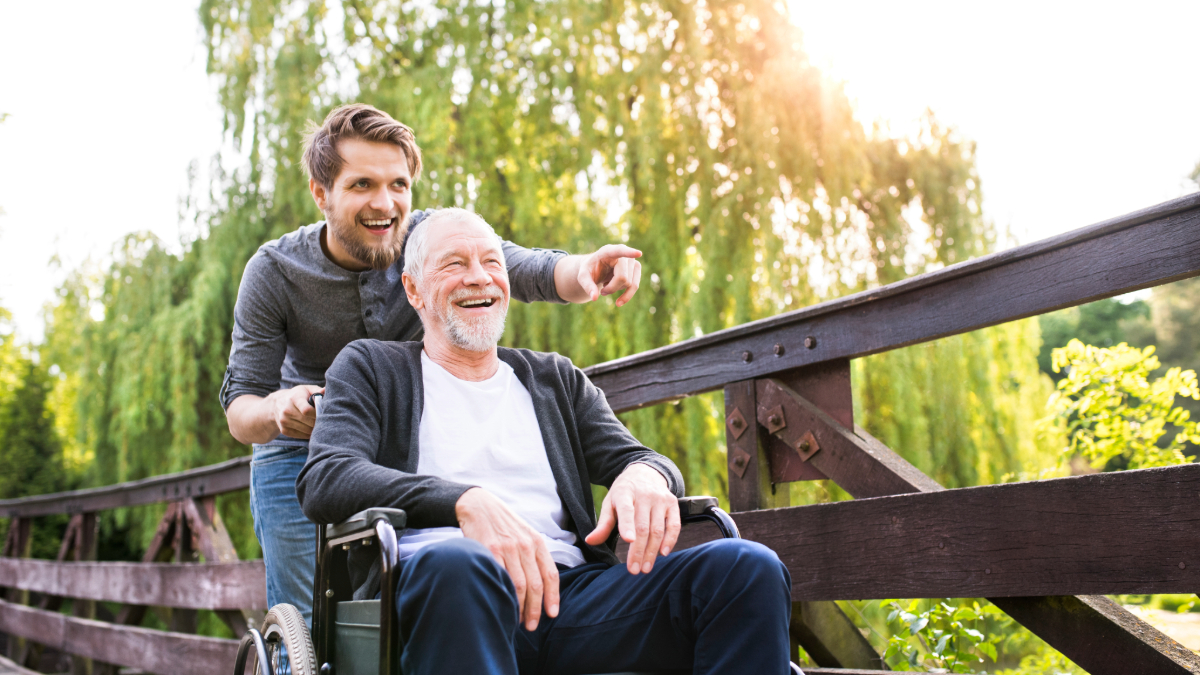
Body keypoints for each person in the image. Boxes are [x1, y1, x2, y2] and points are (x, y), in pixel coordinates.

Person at [296, 208, 794, 675]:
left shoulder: (553, 379)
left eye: (492, 262)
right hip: (446, 593)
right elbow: (327, 478)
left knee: (746, 569)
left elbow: (637, 457)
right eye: (455, 264)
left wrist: (646, 474)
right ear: (413, 289)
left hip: (570, 595)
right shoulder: (372, 367)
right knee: (459, 565)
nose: (479, 276)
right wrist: (464, 502)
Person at [220, 104, 646, 624]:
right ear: (320, 193)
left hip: (399, 444)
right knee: (312, 621)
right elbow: (240, 409)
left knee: (398, 609)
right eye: (362, 185)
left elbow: (527, 268)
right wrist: (279, 409)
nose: (385, 203)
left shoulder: (429, 242)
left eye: (399, 184)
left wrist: (589, 269)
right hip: (299, 453)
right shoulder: (274, 271)